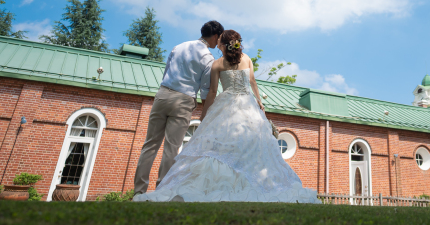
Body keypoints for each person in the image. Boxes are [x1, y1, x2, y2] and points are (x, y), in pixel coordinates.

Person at [133, 30, 320, 203]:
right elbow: (253, 81)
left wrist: (205, 115)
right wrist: (259, 100)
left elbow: (213, 92)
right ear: (237, 44)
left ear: (223, 45)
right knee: (251, 144)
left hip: (225, 103)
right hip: (248, 104)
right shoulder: (247, 59)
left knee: (218, 145)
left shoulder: (217, 64)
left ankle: (145, 189)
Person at [132, 20, 224, 196]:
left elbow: (167, 71)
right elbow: (206, 89)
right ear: (215, 36)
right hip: (183, 100)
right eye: (218, 39)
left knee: (150, 145)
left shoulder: (179, 46)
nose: (217, 43)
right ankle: (162, 192)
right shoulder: (208, 58)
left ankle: (139, 192)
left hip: (162, 94)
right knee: (172, 148)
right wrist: (206, 112)